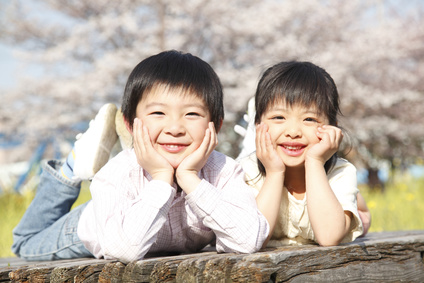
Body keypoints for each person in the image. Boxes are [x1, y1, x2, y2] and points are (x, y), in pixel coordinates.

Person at [12, 50, 269, 263]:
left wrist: (190, 179)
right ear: (130, 123)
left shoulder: (225, 170)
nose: (175, 128)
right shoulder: (117, 173)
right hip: (102, 223)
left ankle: (138, 142)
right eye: (158, 113)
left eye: (191, 114)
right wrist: (160, 178)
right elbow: (124, 250)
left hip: (149, 226)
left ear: (216, 125)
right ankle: (71, 167)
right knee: (26, 242)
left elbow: (248, 239)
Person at [238, 61, 371, 248]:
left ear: (331, 127)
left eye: (309, 119)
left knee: (360, 217)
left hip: (336, 203)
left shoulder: (340, 172)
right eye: (279, 117)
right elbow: (253, 239)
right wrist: (274, 173)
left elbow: (329, 237)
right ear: (258, 123)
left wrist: (315, 162)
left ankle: (359, 210)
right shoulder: (247, 171)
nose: (293, 131)